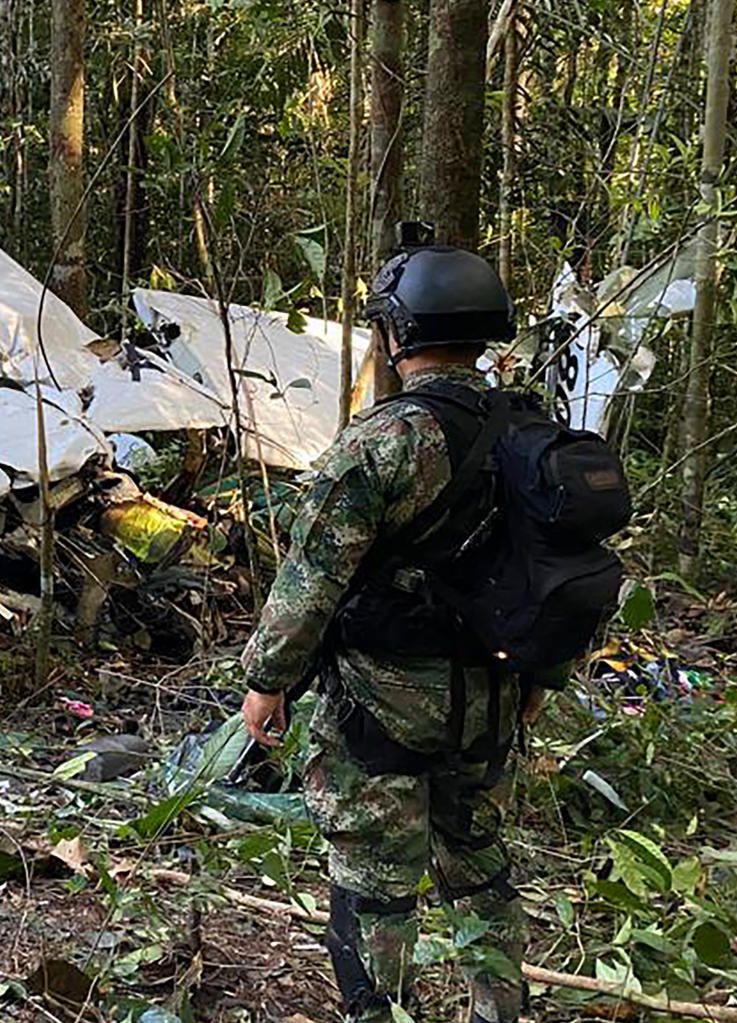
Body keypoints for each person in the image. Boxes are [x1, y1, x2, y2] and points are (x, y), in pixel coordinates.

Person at [237, 239, 554, 1023]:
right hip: (493, 696)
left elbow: (310, 580)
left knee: (375, 880)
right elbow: (561, 572)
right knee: (478, 864)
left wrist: (266, 679)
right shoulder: (530, 433)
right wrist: (542, 680)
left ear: (398, 334)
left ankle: (380, 1014)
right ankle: (498, 1010)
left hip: (382, 705)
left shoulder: (385, 442)